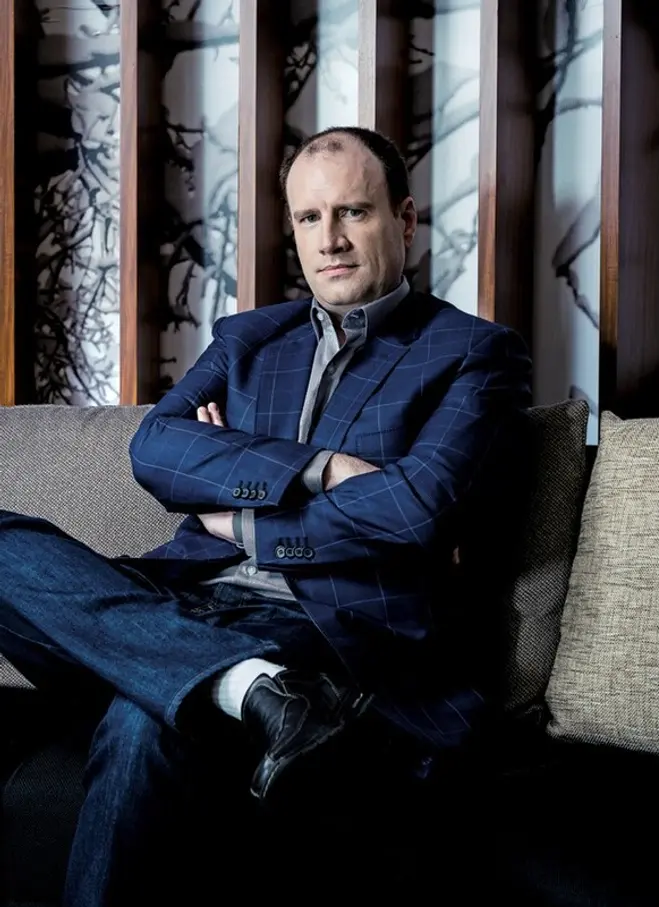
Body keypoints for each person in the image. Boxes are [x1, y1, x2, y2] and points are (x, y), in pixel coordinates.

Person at [0, 126, 531, 905]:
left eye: (353, 212)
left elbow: (414, 509)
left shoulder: (472, 354)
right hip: (186, 595)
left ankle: (218, 679)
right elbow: (155, 447)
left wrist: (236, 510)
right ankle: (252, 688)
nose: (331, 239)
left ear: (406, 218)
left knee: (147, 720)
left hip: (328, 629)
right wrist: (321, 468)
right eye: (310, 218)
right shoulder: (250, 338)